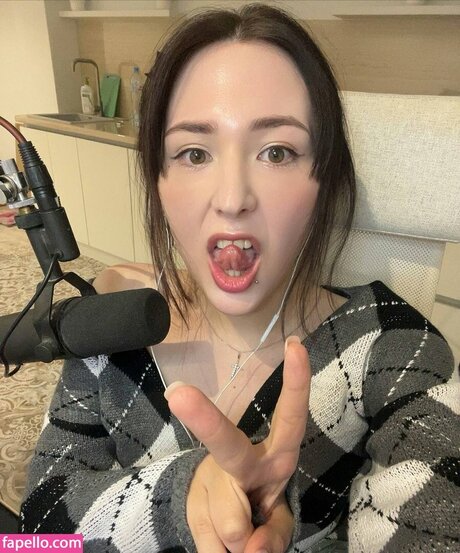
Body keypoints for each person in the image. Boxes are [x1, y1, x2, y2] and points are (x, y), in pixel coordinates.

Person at [20, 4, 459, 552]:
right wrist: (179, 502)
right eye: (194, 153)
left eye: (276, 152)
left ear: (324, 181)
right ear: (158, 182)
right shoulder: (112, 320)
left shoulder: (392, 345)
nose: (232, 199)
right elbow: (32, 537)